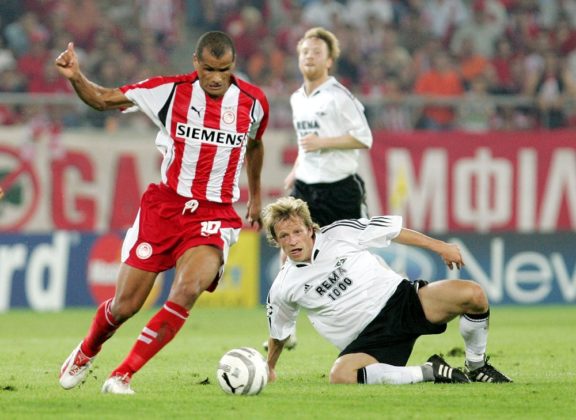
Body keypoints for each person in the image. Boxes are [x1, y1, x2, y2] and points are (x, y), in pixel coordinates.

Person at [55, 31, 269, 394]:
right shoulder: (169, 91)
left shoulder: (254, 102)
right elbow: (103, 99)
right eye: (209, 69)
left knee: (187, 289)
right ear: (196, 63)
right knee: (125, 306)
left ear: (233, 66)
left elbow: (255, 144)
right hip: (166, 208)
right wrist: (77, 77)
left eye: (225, 70)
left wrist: (256, 197)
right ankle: (87, 350)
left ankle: (122, 375)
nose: (217, 78)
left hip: (214, 214)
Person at [263, 196, 512, 385]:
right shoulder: (283, 286)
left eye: (297, 232)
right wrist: (269, 367)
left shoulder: (340, 233)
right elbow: (279, 331)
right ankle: (430, 371)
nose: (292, 241)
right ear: (276, 240)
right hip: (370, 340)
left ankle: (477, 366)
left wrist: (440, 246)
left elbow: (392, 231)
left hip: (402, 301)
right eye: (284, 236)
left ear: (310, 229)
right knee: (341, 376)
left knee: (474, 295)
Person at [284, 26, 372, 228]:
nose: (309, 56)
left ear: (329, 61)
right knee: (292, 241)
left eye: (317, 52)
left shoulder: (340, 96)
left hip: (339, 188)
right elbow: (305, 142)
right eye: (305, 52)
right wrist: (296, 170)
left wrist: (323, 142)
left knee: (353, 245)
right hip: (305, 187)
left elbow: (364, 138)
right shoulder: (297, 98)